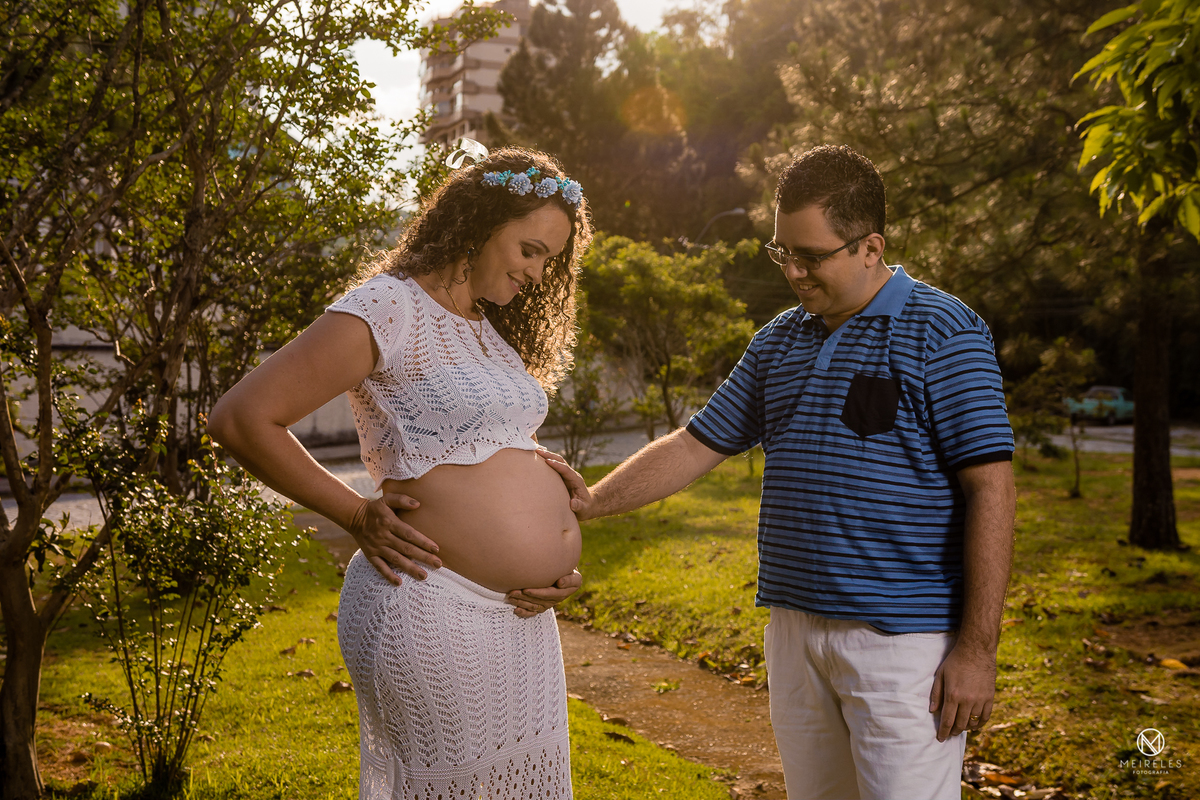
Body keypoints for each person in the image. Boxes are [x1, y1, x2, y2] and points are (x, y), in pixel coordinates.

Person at [541, 145, 1016, 800]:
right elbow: (694, 444)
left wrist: (978, 650)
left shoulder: (942, 329)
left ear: (870, 246)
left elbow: (991, 486)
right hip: (793, 632)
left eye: (811, 255)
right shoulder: (778, 341)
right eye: (781, 252)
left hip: (901, 646)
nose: (792, 270)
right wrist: (593, 502)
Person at [208, 145, 592, 800]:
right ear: (479, 222)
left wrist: (543, 478)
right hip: (432, 604)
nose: (536, 271)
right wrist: (355, 513)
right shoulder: (391, 308)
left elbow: (469, 436)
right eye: (529, 249)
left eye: (549, 260)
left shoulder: (486, 328)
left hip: (518, 620)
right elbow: (243, 418)